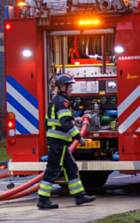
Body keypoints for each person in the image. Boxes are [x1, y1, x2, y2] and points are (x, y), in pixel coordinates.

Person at [37, 73, 97, 210]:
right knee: (53, 170)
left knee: (71, 168)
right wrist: (78, 137)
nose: (72, 89)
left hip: (58, 141)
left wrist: (75, 120)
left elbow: (56, 121)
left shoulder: (58, 101)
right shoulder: (62, 102)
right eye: (70, 86)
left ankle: (80, 196)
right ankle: (43, 199)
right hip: (58, 142)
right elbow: (65, 123)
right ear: (63, 87)